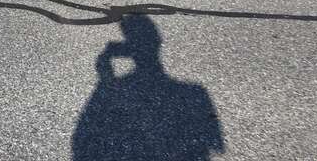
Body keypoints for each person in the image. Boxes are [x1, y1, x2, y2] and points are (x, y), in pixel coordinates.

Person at [72, 15, 224, 160]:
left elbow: (81, 140)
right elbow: (216, 145)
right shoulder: (195, 93)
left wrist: (105, 67)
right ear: (158, 41)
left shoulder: (195, 93)